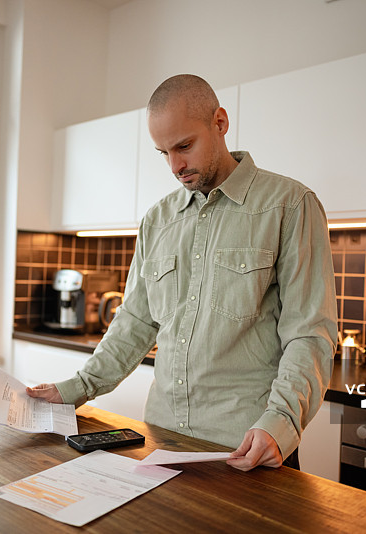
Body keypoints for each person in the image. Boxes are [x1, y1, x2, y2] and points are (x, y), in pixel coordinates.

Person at [28, 74, 337, 471]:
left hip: (246, 448)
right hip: (161, 442)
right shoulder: (157, 220)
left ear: (220, 123)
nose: (176, 166)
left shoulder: (290, 205)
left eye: (184, 146)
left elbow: (309, 334)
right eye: (163, 153)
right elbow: (135, 321)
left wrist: (282, 421)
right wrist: (77, 387)